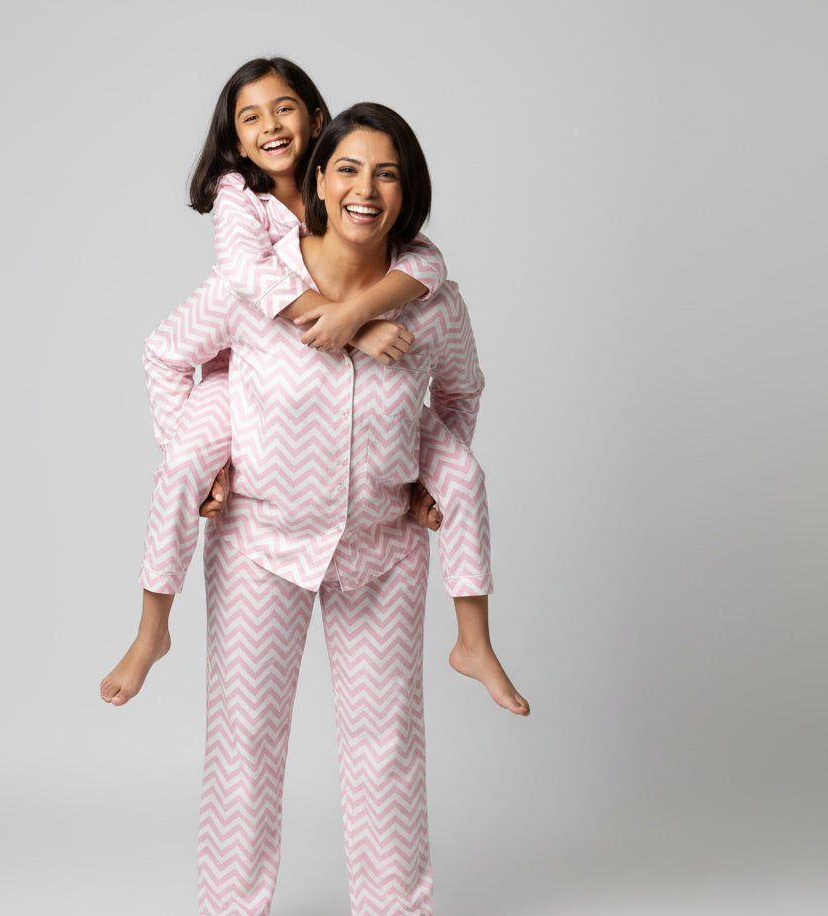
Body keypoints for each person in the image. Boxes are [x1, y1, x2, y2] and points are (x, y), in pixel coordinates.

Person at [141, 102, 528, 916]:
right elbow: (168, 353)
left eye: (386, 173)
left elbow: (461, 394)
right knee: (245, 734)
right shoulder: (254, 283)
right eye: (348, 169)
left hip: (383, 548)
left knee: (387, 738)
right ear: (316, 178)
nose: (365, 189)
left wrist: (438, 476)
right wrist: (193, 461)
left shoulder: (430, 297)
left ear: (406, 192)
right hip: (260, 542)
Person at [100, 57, 529, 721]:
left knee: (464, 479)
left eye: (285, 108)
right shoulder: (242, 212)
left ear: (316, 123)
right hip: (239, 429)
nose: (272, 125)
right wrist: (199, 447)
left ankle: (474, 641)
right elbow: (223, 293)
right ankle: (153, 627)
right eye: (251, 117)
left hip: (381, 537)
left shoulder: (418, 278)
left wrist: (424, 476)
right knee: (184, 463)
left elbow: (431, 272)